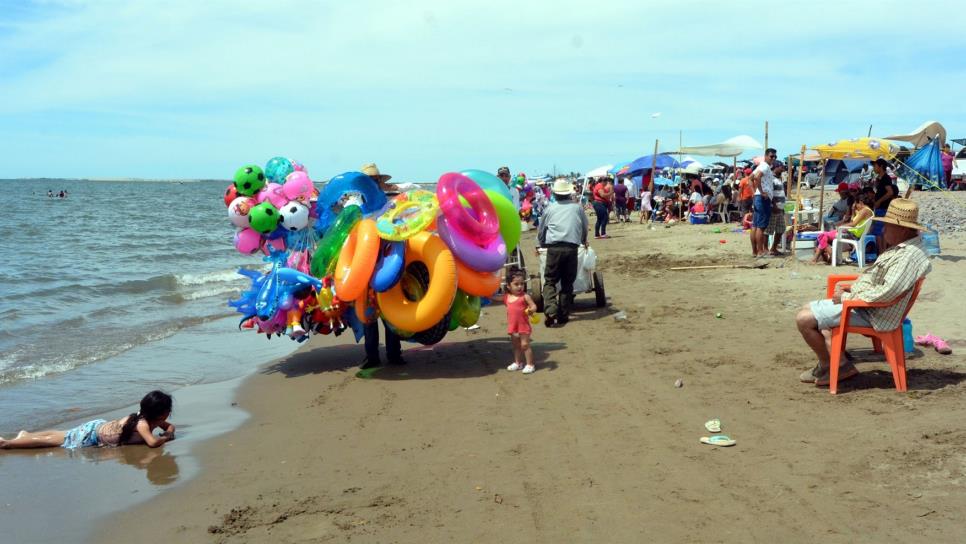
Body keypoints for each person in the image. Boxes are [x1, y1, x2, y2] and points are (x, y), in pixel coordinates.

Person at [795, 198, 931, 387]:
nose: (883, 231)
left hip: (873, 313)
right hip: (868, 306)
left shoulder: (908, 256)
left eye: (887, 227)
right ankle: (836, 363)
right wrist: (854, 287)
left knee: (803, 319)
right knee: (808, 308)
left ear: (902, 229)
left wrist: (846, 297)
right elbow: (884, 285)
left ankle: (832, 365)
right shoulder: (906, 249)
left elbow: (886, 292)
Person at [1, 391, 175, 449]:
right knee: (52, 441)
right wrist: (167, 436)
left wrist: (169, 429)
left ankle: (26, 434)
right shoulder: (143, 424)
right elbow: (152, 442)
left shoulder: (147, 417)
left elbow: (168, 426)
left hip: (96, 426)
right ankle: (8, 443)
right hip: (91, 435)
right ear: (163, 413)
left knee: (62, 434)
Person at [359, 163, 404, 369]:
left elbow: (399, 228)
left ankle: (394, 353)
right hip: (366, 264)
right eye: (369, 181)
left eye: (376, 180)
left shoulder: (389, 205)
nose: (373, 184)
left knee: (390, 308)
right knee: (369, 312)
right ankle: (372, 356)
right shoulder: (358, 208)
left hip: (387, 260)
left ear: (380, 183)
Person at [537, 178, 588, 327]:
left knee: (550, 280)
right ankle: (563, 314)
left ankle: (551, 310)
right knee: (567, 283)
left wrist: (540, 243)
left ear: (555, 194)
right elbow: (584, 227)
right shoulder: (577, 208)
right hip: (572, 248)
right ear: (568, 194)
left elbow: (542, 230)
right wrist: (584, 240)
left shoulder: (550, 209)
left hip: (554, 248)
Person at [492, 268, 538, 374]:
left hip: (523, 326)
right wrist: (486, 294)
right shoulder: (506, 297)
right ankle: (518, 363)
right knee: (516, 346)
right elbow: (495, 298)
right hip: (513, 326)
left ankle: (530, 364)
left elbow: (534, 306)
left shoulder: (525, 296)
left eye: (522, 284)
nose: (520, 286)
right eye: (516, 284)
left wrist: (532, 309)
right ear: (508, 286)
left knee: (525, 345)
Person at [811, 191, 874, 264]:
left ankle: (832, 258)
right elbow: (852, 221)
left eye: (856, 204)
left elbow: (853, 224)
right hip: (852, 233)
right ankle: (826, 258)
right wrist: (853, 211)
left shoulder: (864, 211)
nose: (855, 206)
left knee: (822, 235)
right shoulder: (868, 211)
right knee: (823, 236)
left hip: (852, 234)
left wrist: (841, 226)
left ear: (860, 202)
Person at [751, 149, 778, 257]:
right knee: (761, 227)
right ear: (766, 156)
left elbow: (750, 178)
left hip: (758, 197)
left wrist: (754, 193)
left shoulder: (761, 165)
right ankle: (760, 251)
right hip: (762, 199)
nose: (773, 159)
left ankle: (755, 251)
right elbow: (756, 177)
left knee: (755, 225)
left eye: (775, 157)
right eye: (771, 156)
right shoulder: (765, 166)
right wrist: (761, 192)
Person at [871, 158, 898, 251]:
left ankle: (882, 252)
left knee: (879, 231)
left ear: (881, 167)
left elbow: (890, 192)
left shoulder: (886, 178)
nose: (874, 168)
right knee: (880, 231)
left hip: (883, 208)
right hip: (881, 208)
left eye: (875, 166)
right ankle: (882, 252)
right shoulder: (881, 178)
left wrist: (879, 201)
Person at [766, 161, 787, 256]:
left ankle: (773, 248)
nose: (783, 169)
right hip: (774, 208)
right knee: (768, 230)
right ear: (776, 167)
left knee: (781, 228)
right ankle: (766, 249)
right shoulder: (771, 179)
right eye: (781, 167)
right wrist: (774, 205)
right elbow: (770, 193)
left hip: (780, 208)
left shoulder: (779, 179)